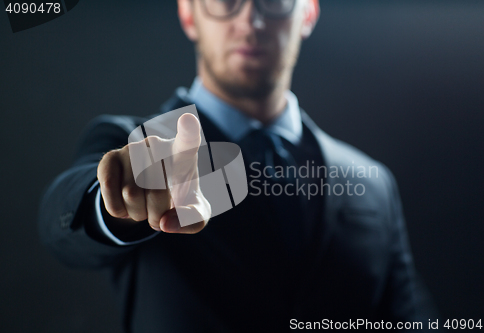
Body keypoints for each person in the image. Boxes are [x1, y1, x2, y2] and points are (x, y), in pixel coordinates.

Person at [38, 0, 437, 332]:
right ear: (189, 14)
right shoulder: (130, 143)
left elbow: (405, 318)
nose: (250, 20)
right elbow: (63, 221)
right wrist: (117, 200)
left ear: (309, 13)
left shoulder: (373, 184)